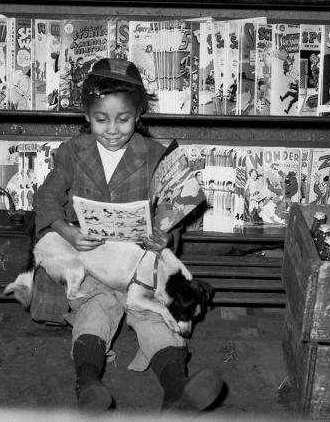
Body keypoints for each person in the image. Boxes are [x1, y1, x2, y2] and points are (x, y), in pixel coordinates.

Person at [32, 58, 224, 412]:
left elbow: (172, 210)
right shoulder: (72, 152)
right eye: (101, 119)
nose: (113, 129)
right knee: (96, 310)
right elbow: (46, 196)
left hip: (140, 264)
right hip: (91, 261)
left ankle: (178, 390)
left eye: (123, 119)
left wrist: (165, 236)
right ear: (87, 116)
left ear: (139, 115)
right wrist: (65, 231)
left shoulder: (154, 155)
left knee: (153, 317)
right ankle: (88, 385)